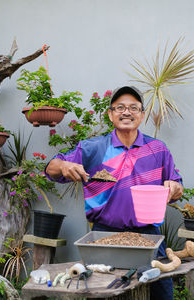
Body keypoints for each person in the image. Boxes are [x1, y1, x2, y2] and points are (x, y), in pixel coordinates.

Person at [45, 86, 183, 300]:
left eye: (133, 108)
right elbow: (50, 169)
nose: (126, 112)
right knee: (103, 291)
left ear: (142, 115)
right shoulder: (92, 148)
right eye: (120, 107)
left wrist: (175, 188)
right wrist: (63, 165)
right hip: (103, 236)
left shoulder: (158, 149)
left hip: (149, 237)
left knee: (161, 293)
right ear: (110, 114)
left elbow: (176, 186)